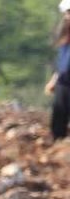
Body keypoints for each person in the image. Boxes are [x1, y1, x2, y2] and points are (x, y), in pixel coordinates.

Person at [47, 1, 70, 140]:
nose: (68, 16)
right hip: (64, 82)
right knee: (58, 120)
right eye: (67, 13)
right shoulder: (65, 35)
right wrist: (54, 80)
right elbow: (62, 62)